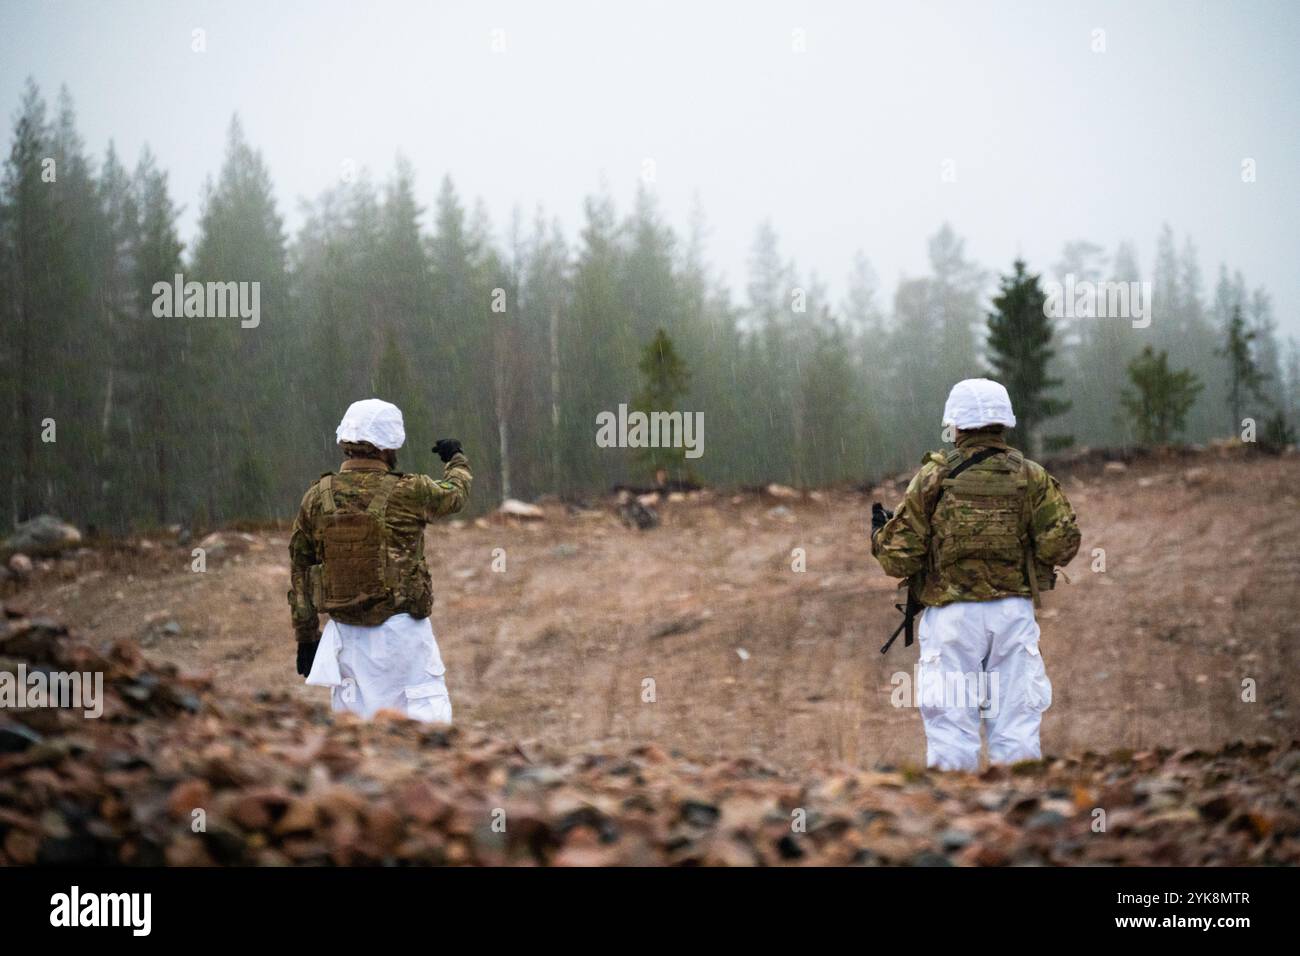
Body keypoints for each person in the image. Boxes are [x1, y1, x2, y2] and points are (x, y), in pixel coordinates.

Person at [871, 378, 1080, 771]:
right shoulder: (1032, 476)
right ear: (1004, 422)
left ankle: (957, 820)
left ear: (956, 425)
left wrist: (879, 537)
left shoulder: (933, 478)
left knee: (951, 732)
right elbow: (1062, 545)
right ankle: (1022, 815)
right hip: (1012, 616)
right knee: (1017, 729)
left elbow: (898, 560)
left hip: (952, 620)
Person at [287, 398, 471, 723]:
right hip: (403, 639)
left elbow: (300, 569)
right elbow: (455, 494)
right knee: (425, 731)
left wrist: (306, 636)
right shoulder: (409, 490)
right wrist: (456, 459)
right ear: (388, 447)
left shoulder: (316, 497)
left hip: (345, 638)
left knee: (357, 740)